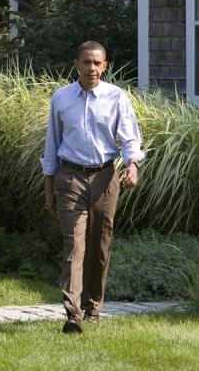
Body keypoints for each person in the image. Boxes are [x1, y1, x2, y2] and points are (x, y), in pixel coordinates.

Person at [42, 40, 144, 334]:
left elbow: (129, 138)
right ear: (76, 64)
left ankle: (93, 308)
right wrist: (49, 187)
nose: (92, 68)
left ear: (105, 66)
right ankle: (72, 314)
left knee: (99, 246)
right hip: (70, 177)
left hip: (105, 178)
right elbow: (52, 145)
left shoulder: (116, 97)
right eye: (86, 62)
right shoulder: (61, 98)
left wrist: (132, 165)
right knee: (74, 245)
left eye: (97, 63)